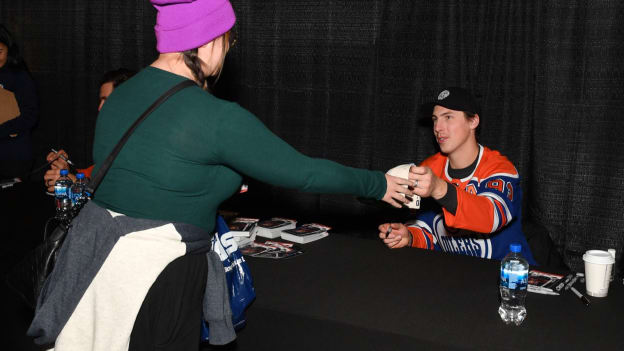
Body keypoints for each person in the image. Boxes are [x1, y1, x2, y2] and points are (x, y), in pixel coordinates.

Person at [27, 1, 413, 350]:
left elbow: (153, 170)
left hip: (96, 268)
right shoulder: (216, 117)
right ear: (209, 40)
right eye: (229, 40)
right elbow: (304, 173)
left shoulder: (120, 96)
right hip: (159, 278)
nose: (228, 51)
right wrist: (377, 183)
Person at [379, 87, 536, 264]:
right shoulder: (431, 167)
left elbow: (490, 217)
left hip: (508, 277)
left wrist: (440, 189)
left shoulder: (499, 168)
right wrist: (409, 236)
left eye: (448, 117)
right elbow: (429, 229)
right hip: (455, 275)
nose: (438, 128)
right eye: (435, 119)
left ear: (473, 121)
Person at [42, 68, 136, 192]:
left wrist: (75, 183)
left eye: (106, 100)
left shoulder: (140, 141)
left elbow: (124, 191)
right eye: (101, 100)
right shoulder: (116, 135)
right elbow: (96, 174)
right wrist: (67, 171)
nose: (100, 107)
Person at [0, 24, 38, 180]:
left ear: (8, 50)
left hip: (14, 155)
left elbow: (30, 115)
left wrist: (3, 130)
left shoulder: (18, 75)